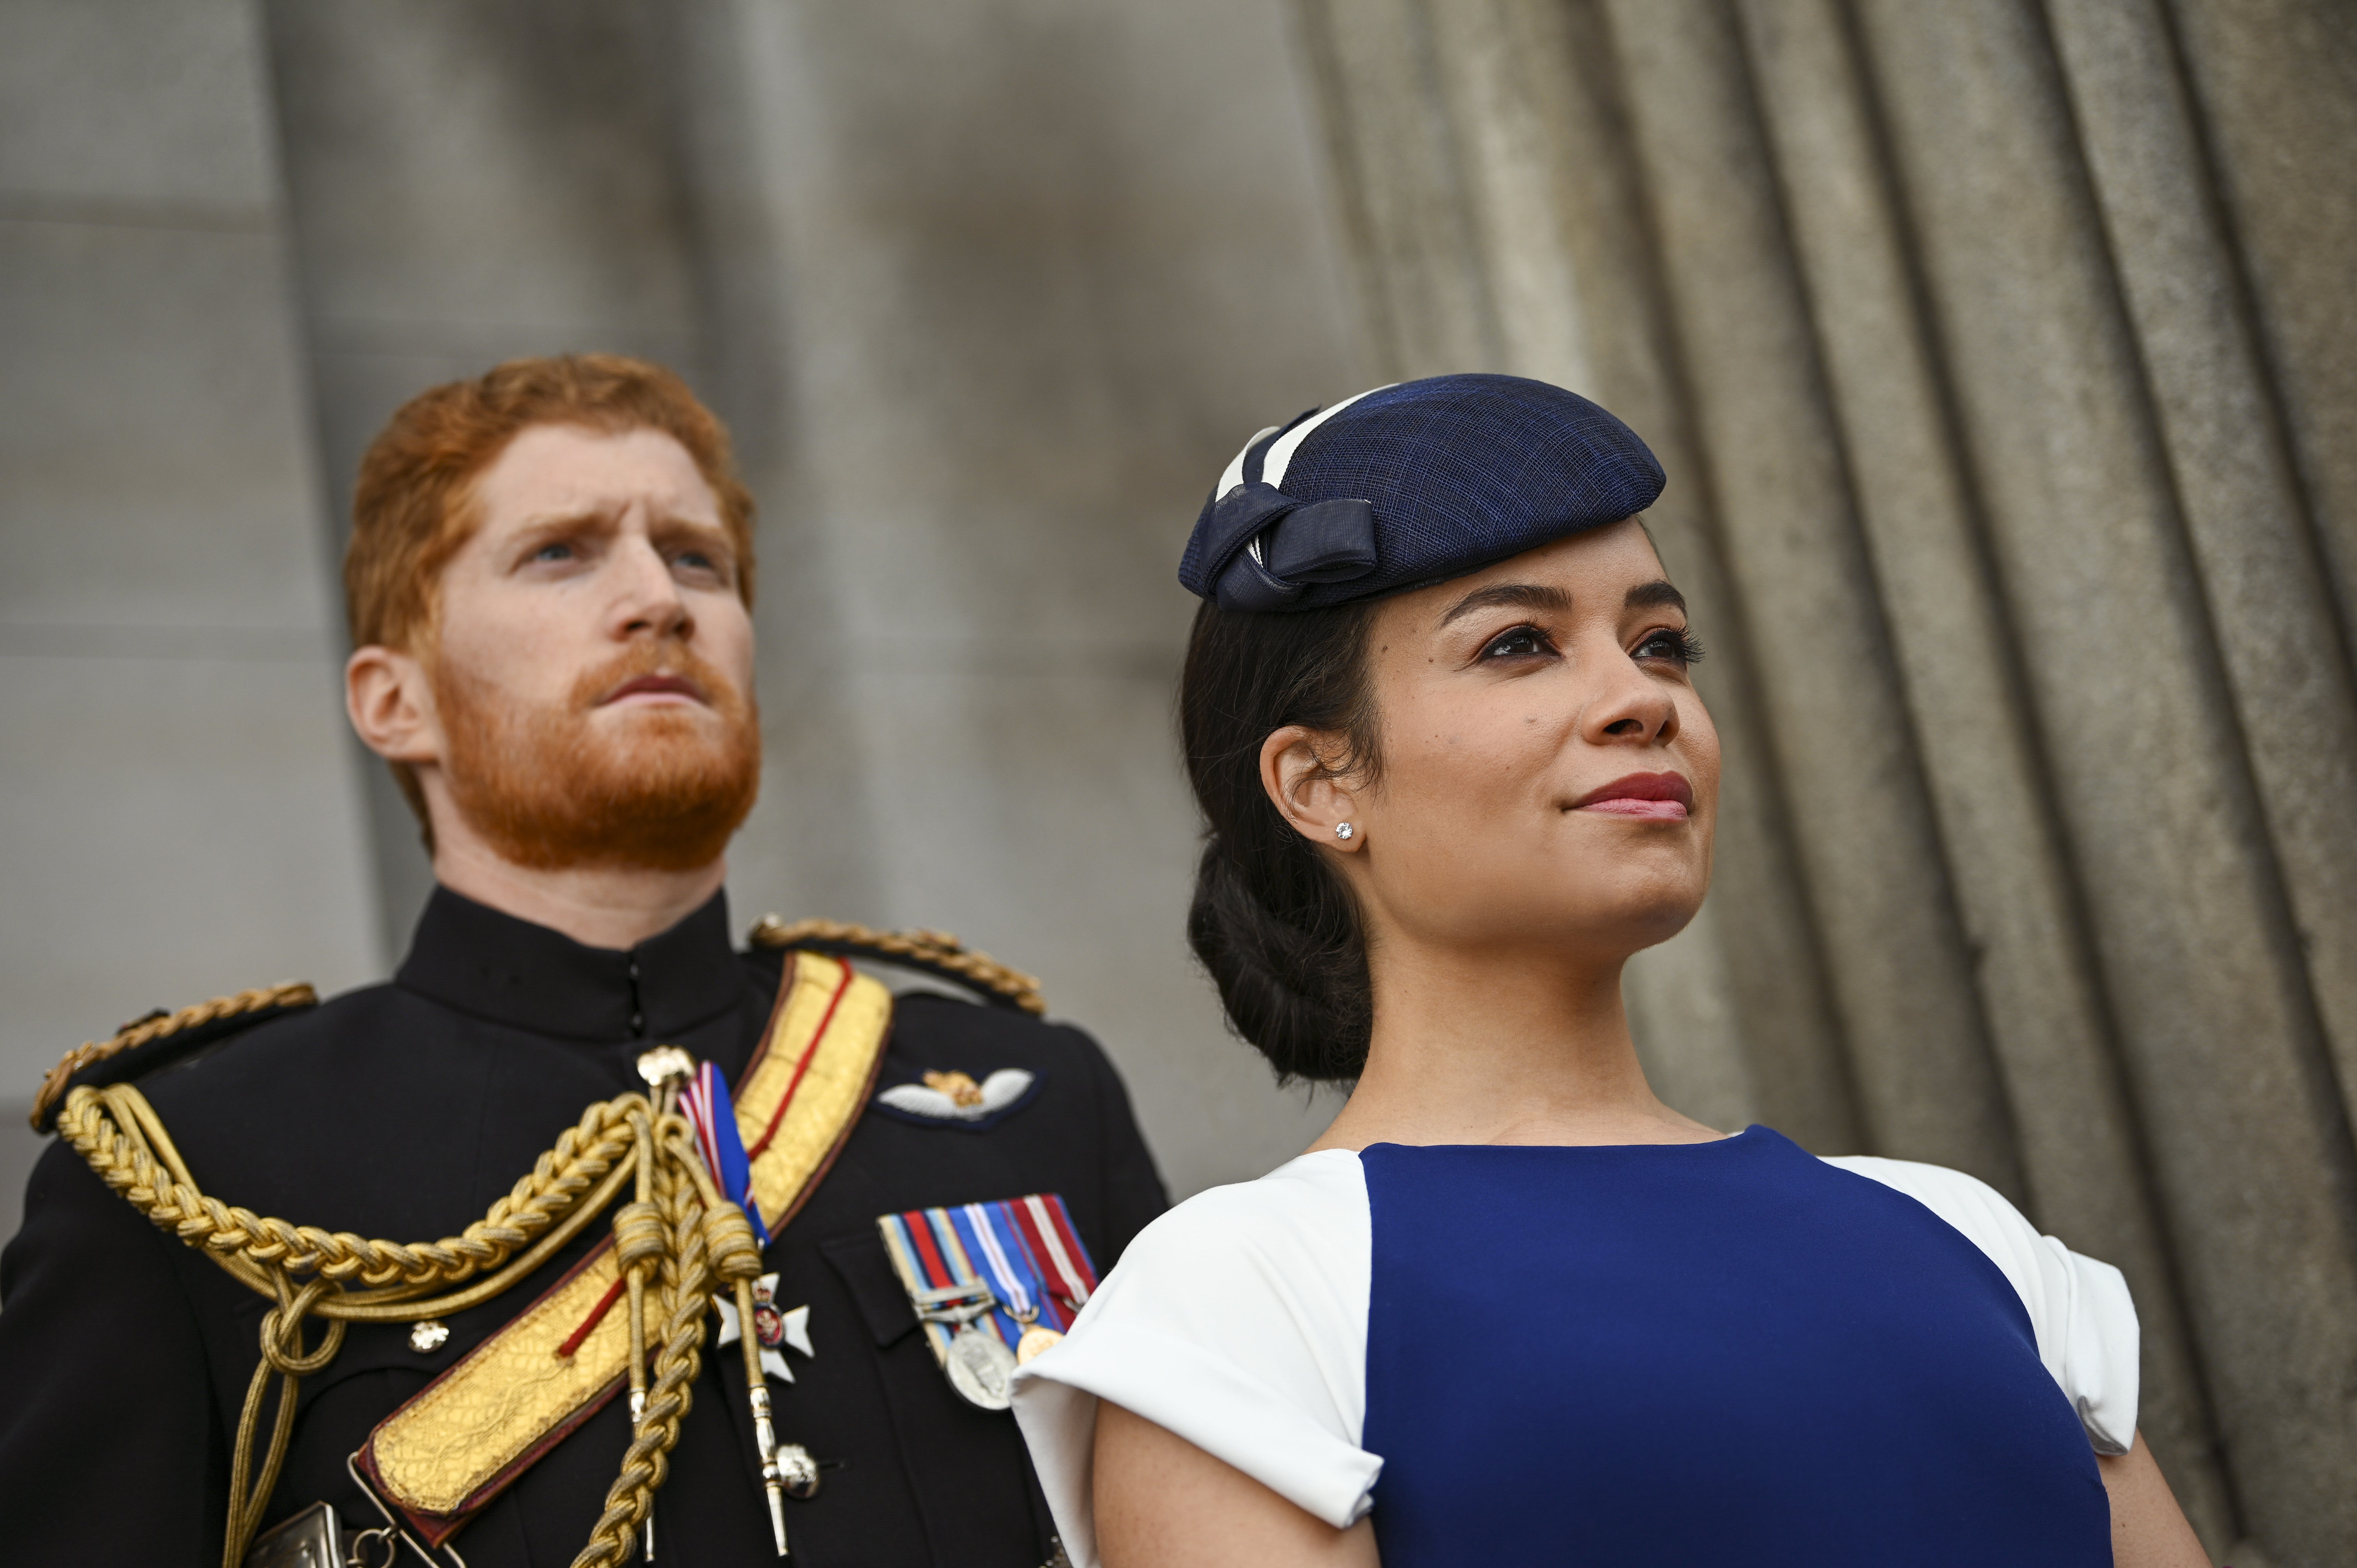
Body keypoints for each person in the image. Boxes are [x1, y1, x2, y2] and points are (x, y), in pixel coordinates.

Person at [1011, 374, 2212, 1568]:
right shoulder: (1249, 1296)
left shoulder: (1971, 1238)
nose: (1640, 697)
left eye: (1663, 644)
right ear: (1322, 785)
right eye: (1520, 644)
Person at [0, 354, 1166, 1568]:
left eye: (697, 558)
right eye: (561, 552)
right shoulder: (193, 1173)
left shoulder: (1032, 1101)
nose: (659, 598)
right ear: (394, 701)